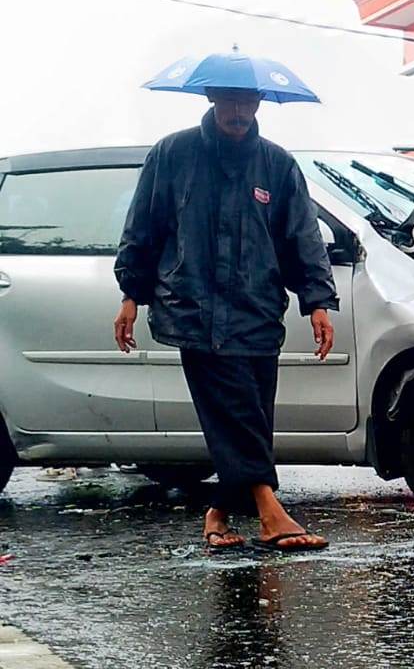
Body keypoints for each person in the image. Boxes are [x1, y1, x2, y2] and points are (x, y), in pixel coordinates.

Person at [115, 87, 339, 551]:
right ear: (213, 99)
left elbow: (302, 237)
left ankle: (218, 514)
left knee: (250, 417)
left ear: (258, 105)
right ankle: (269, 510)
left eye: (247, 103)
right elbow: (144, 227)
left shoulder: (277, 165)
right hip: (193, 308)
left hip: (257, 309)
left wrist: (317, 301)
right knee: (235, 410)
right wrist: (131, 294)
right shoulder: (173, 155)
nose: (239, 112)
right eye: (230, 102)